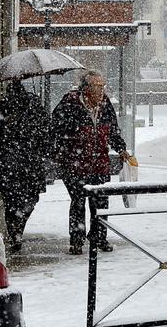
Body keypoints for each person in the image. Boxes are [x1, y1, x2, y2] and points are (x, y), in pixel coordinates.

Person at [53, 70, 131, 255]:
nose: (101, 90)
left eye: (102, 86)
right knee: (78, 202)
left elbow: (112, 129)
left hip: (99, 163)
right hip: (75, 165)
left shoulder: (105, 104)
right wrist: (63, 148)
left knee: (101, 203)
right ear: (86, 88)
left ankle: (99, 238)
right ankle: (77, 241)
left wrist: (121, 148)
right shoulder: (70, 103)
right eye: (97, 86)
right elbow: (55, 128)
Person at [0, 80, 49, 252]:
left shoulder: (26, 107)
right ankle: (17, 229)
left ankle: (15, 230)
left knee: (14, 201)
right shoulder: (25, 106)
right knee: (24, 200)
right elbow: (46, 132)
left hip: (13, 162)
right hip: (22, 163)